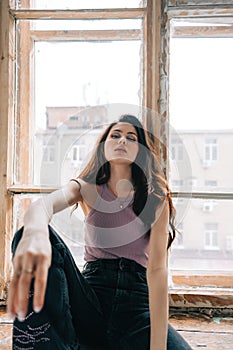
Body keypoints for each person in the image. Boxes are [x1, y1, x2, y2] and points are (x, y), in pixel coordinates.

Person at [7, 114, 192, 350]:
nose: (122, 140)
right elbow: (43, 206)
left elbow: (157, 270)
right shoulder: (87, 188)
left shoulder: (155, 197)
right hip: (91, 303)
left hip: (136, 311)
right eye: (115, 135)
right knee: (30, 235)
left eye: (131, 137)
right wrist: (35, 233)